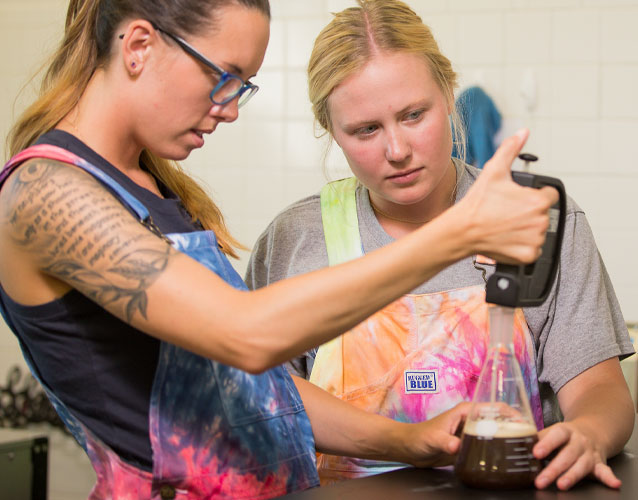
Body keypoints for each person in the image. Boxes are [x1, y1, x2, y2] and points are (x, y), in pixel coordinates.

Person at [0, 0, 558, 499]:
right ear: (140, 46)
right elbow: (247, 336)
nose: (231, 108)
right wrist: (459, 231)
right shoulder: (44, 193)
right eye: (225, 77)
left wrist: (407, 441)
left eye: (243, 86)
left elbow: (253, 392)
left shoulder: (149, 187)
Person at [245, 0, 636, 492]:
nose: (397, 150)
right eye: (365, 129)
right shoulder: (295, 240)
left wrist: (590, 433)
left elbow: (600, 389)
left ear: (449, 94)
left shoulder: (535, 218)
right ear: (330, 130)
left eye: (413, 115)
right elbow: (260, 397)